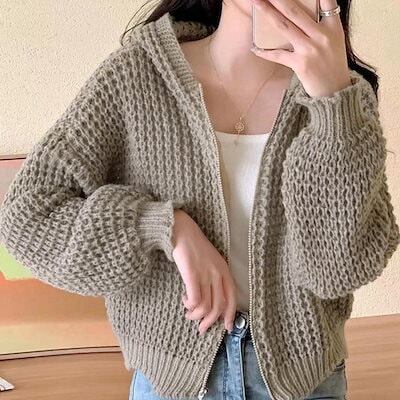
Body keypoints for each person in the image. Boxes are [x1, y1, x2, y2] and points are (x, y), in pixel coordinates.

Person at [0, 0, 399, 399]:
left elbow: (336, 272)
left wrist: (333, 104)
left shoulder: (345, 99)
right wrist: (163, 226)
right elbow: (26, 216)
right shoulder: (137, 75)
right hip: (172, 383)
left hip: (306, 384)